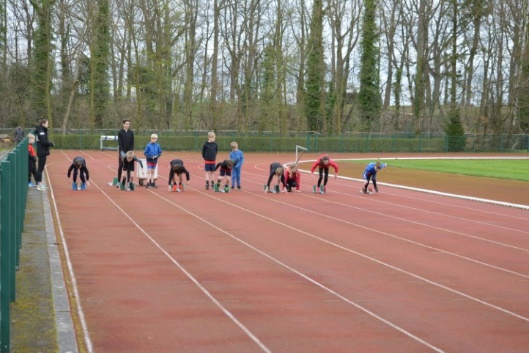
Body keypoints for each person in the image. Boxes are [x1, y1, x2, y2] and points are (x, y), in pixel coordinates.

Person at [35, 119, 54, 191]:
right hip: (41, 151)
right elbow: (43, 142)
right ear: (43, 124)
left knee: (41, 168)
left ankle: (39, 183)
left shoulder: (42, 130)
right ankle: (39, 185)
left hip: (42, 151)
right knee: (40, 168)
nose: (48, 125)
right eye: (47, 124)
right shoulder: (41, 132)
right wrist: (51, 144)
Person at [117, 119, 134, 187]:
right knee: (121, 166)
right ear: (123, 124)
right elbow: (120, 142)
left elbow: (132, 142)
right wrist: (122, 152)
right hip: (122, 151)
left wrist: (130, 151)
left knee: (129, 167)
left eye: (128, 124)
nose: (127, 125)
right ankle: (118, 181)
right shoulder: (120, 132)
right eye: (126, 124)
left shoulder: (131, 132)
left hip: (129, 152)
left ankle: (128, 182)